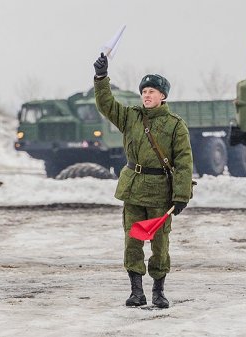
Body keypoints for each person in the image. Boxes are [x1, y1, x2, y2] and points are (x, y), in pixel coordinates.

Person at [93, 53, 193, 309]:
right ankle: (136, 292)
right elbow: (106, 104)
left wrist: (181, 195)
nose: (147, 95)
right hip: (134, 190)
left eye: (152, 91)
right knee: (133, 242)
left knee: (160, 245)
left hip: (161, 194)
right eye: (144, 91)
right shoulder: (130, 117)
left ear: (163, 96)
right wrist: (101, 78)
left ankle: (159, 291)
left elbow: (183, 161)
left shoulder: (175, 125)